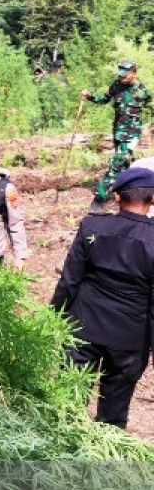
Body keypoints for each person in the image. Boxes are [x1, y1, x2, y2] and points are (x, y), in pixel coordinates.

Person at [51, 166, 154, 429]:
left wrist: (53, 319)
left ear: (117, 197)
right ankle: (102, 464)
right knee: (113, 414)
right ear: (152, 200)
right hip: (130, 337)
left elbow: (70, 280)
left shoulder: (92, 226)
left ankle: (63, 457)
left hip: (82, 328)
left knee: (68, 403)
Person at [82, 59, 152, 214]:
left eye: (125, 75)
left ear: (134, 74)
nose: (122, 77)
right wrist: (90, 96)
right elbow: (104, 99)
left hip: (131, 134)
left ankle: (99, 200)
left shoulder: (142, 91)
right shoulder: (115, 85)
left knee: (115, 165)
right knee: (123, 164)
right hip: (118, 132)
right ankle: (126, 195)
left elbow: (149, 105)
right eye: (120, 74)